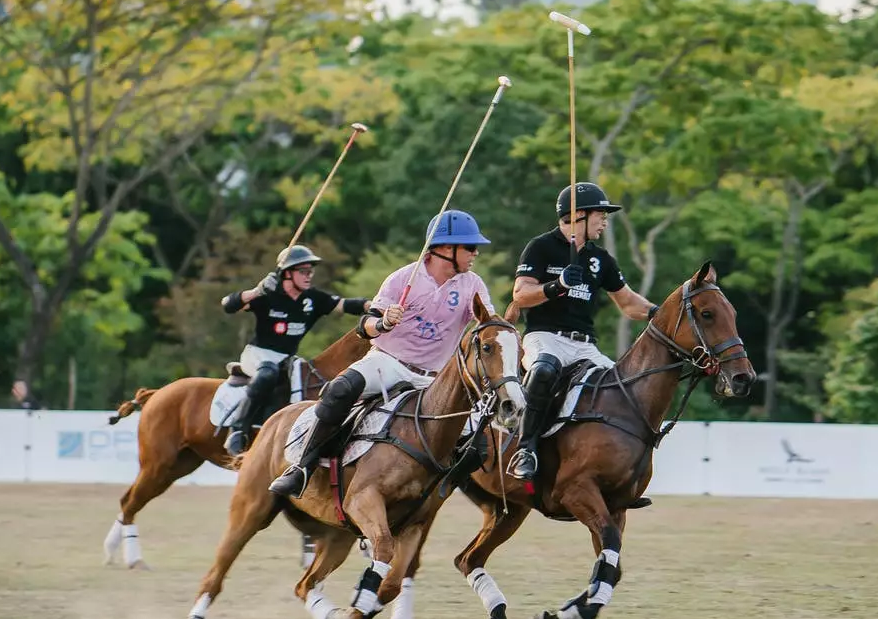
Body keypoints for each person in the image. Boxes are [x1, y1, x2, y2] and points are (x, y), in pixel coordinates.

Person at [269, 210, 495, 498]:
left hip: (436, 377)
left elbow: (487, 321)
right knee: (340, 389)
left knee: (479, 444)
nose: (476, 253)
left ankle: (436, 490)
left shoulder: (472, 284)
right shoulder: (403, 279)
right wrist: (384, 322)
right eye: (470, 247)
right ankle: (303, 468)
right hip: (388, 363)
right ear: (445, 249)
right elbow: (365, 327)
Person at [507, 182, 656, 481]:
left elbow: (628, 303)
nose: (604, 220)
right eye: (600, 214)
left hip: (585, 345)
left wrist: (660, 314)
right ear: (579, 215)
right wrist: (557, 285)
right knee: (544, 371)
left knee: (624, 389)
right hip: (544, 336)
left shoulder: (600, 259)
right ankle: (526, 448)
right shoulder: (541, 247)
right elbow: (521, 295)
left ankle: (627, 469)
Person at [219, 245, 368, 456]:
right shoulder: (268, 294)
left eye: (311, 271)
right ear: (287, 273)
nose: (309, 276)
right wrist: (256, 292)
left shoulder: (313, 299)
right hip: (258, 354)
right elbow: (228, 305)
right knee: (268, 373)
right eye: (303, 271)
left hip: (288, 360)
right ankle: (237, 430)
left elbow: (345, 305)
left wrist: (375, 305)